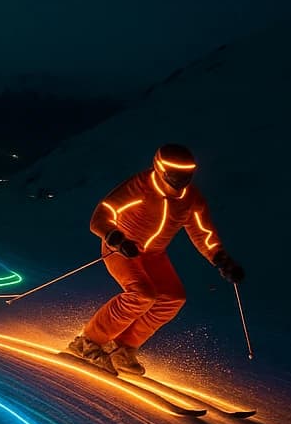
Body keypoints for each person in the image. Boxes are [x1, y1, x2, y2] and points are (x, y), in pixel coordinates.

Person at [67, 143, 244, 375]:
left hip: (153, 254)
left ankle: (122, 348)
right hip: (122, 249)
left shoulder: (191, 199)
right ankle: (86, 343)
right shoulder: (141, 187)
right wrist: (116, 238)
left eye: (185, 176)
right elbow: (102, 215)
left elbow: (204, 233)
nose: (180, 182)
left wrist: (221, 260)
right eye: (174, 176)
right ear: (160, 169)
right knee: (141, 294)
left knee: (172, 298)